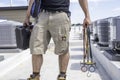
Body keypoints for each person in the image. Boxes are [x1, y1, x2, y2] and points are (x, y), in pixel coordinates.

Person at [24, 0, 91, 80]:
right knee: (36, 48)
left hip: (61, 15)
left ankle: (62, 76)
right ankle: (35, 76)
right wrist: (27, 16)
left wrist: (87, 16)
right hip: (42, 15)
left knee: (63, 49)